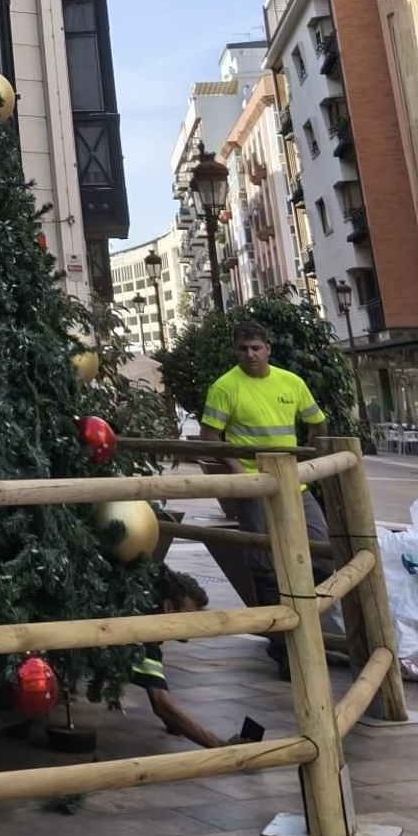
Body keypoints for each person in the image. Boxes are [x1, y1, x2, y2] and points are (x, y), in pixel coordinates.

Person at [198, 318, 334, 666]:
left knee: (323, 551)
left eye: (256, 348)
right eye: (243, 349)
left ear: (268, 349)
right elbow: (210, 437)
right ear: (235, 351)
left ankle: (312, 624)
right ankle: (280, 643)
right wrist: (237, 474)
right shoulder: (226, 386)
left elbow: (316, 422)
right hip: (254, 487)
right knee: (263, 564)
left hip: (295, 484)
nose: (250, 354)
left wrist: (310, 454)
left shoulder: (292, 382)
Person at [131, 567, 245, 748]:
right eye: (189, 616)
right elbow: (161, 704)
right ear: (168, 607)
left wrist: (175, 722)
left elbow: (159, 699)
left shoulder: (146, 624)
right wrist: (219, 745)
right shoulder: (143, 639)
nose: (194, 625)